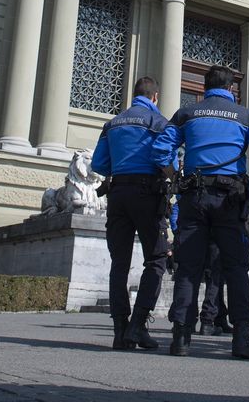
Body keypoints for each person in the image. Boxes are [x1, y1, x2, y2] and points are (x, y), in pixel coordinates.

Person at [152, 65, 249, 360]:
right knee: (235, 268)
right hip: (230, 200)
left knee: (189, 267)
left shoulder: (186, 113)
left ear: (205, 88)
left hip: (193, 196)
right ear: (232, 89)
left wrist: (175, 178)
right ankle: (242, 339)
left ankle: (180, 338)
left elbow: (159, 149)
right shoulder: (248, 116)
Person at [90, 76, 172, 350]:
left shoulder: (112, 123)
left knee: (119, 263)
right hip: (147, 194)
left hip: (117, 195)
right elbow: (167, 159)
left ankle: (119, 330)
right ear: (155, 98)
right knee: (157, 260)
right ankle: (138, 325)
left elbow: (99, 163)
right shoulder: (158, 122)